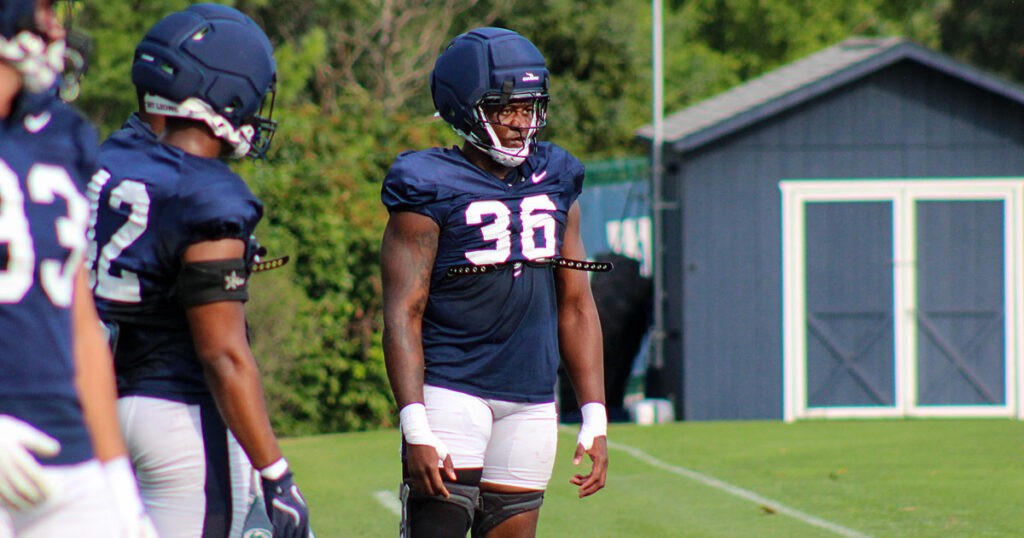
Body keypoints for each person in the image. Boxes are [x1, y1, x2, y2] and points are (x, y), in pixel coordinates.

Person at [87, 5, 311, 538]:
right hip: (178, 416)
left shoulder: (107, 159)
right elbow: (223, 355)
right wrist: (277, 475)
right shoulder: (212, 193)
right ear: (225, 94)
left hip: (93, 407)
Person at [381, 27, 609, 538]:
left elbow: (576, 304)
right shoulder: (429, 183)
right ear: (465, 109)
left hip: (532, 397)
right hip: (451, 390)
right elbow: (402, 311)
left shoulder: (556, 176)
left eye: (529, 107)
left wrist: (594, 414)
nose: (521, 122)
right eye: (505, 109)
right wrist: (414, 423)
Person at [0, 0, 153, 536]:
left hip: (68, 448)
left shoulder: (62, 133)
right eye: (42, 10)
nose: (55, 27)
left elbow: (80, 324)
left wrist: (117, 479)